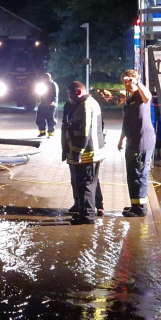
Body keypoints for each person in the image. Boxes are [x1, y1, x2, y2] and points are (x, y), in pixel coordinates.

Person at [61, 80, 105, 222]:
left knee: (85, 184)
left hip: (86, 153)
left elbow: (83, 131)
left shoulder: (84, 105)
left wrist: (77, 152)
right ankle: (84, 208)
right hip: (91, 151)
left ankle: (87, 215)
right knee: (87, 182)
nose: (69, 98)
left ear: (79, 92)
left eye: (71, 95)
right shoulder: (91, 102)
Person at [117, 69, 156, 217]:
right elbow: (126, 121)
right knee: (132, 174)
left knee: (139, 175)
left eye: (128, 80)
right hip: (131, 141)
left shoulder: (141, 95)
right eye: (124, 82)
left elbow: (148, 97)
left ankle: (140, 209)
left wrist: (137, 83)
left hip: (142, 142)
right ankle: (135, 205)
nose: (126, 84)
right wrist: (121, 139)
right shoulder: (129, 98)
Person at [35, 72, 59, 137]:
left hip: (51, 104)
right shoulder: (43, 85)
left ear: (48, 78)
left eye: (43, 78)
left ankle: (51, 132)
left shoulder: (53, 84)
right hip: (43, 103)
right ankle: (42, 132)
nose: (42, 80)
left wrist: (52, 102)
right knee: (40, 117)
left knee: (51, 118)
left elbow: (54, 94)